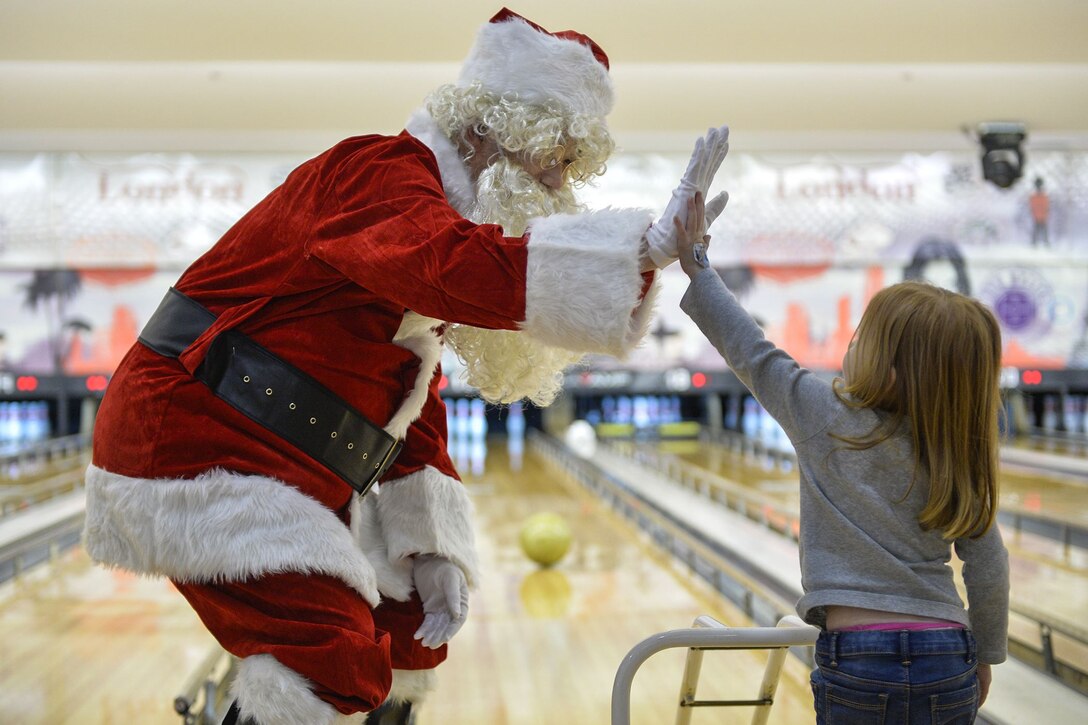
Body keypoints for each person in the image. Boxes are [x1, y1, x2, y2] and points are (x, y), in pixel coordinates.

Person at [81, 8, 728, 725]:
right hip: (193, 444)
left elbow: (410, 399)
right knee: (325, 662)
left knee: (405, 629)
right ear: (488, 130)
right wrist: (636, 251)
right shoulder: (374, 174)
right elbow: (450, 265)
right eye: (556, 154)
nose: (560, 181)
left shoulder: (429, 215)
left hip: (281, 458)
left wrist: (430, 546)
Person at [674, 189, 1010, 723]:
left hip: (859, 657)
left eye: (861, 339)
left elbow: (750, 351)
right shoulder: (956, 449)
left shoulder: (822, 412)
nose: (849, 347)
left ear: (890, 365)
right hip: (950, 654)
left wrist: (696, 265)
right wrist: (986, 654)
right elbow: (988, 563)